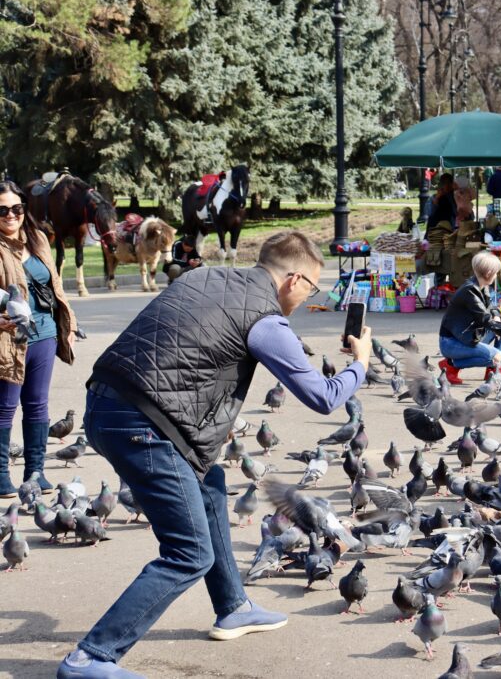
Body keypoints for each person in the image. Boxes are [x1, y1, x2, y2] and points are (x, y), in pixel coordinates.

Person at [58, 231, 372, 678]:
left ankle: (234, 606)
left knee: (210, 487)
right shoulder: (266, 321)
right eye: (312, 288)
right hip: (145, 425)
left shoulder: (203, 276)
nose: (307, 298)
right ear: (294, 279)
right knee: (188, 553)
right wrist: (359, 362)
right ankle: (91, 657)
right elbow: (322, 398)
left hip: (108, 405)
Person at [0, 180, 77, 499]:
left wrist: (68, 320)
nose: (10, 215)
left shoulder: (39, 239)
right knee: (4, 407)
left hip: (44, 334)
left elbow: (55, 283)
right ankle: (2, 475)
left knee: (37, 405)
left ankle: (36, 472)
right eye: (2, 210)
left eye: (16, 208)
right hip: (7, 337)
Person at [438, 251, 501, 385]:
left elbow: (491, 310)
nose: (496, 276)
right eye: (496, 273)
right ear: (488, 274)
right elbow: (485, 320)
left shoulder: (481, 285)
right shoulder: (469, 291)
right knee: (496, 356)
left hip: (466, 335)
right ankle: (450, 364)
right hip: (451, 342)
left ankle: (493, 370)